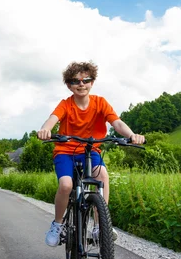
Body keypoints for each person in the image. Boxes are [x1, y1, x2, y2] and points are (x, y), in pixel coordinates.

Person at [36, 61, 145, 246]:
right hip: (66, 151)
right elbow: (52, 119)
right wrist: (45, 130)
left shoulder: (100, 103)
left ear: (92, 82)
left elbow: (116, 123)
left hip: (90, 149)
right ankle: (58, 224)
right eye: (75, 81)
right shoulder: (66, 105)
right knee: (66, 185)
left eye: (86, 80)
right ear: (69, 85)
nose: (81, 84)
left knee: (102, 175)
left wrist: (132, 135)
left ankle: (99, 226)